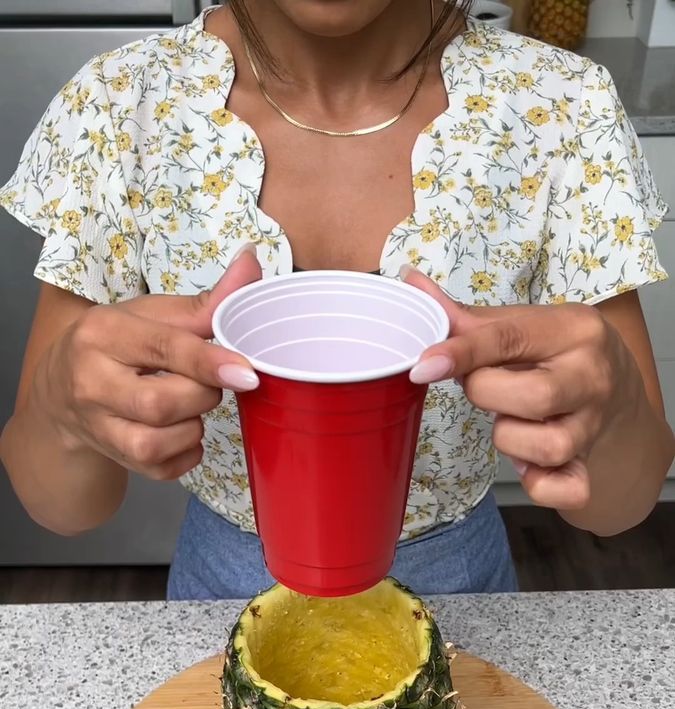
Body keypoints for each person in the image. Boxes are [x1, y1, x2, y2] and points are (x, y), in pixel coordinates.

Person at [0, 0, 673, 599]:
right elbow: (61, 506)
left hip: (465, 594)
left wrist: (610, 418)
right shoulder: (118, 103)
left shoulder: (562, 104)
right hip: (216, 594)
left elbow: (620, 502)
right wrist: (63, 408)